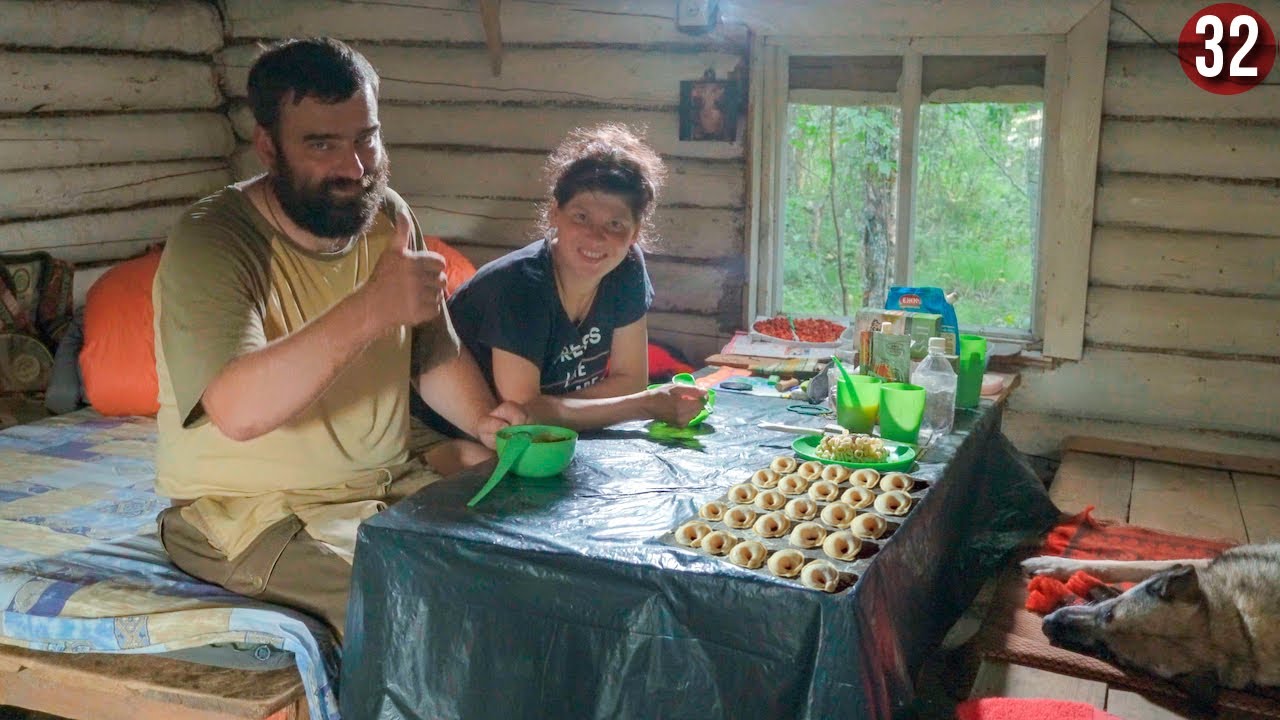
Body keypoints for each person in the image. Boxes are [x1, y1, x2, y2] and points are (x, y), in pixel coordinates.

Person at [151, 37, 525, 641]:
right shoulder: (212, 239)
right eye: (322, 145)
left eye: (365, 138)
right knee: (413, 613)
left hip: (383, 484)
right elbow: (237, 411)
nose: (354, 168)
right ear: (268, 146)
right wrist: (371, 309)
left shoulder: (386, 215)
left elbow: (431, 351)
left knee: (538, 545)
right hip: (254, 511)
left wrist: (486, 424)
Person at [417, 123, 706, 432]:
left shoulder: (626, 269)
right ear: (555, 213)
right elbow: (524, 414)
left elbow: (630, 381)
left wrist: (558, 409)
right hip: (451, 429)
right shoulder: (520, 286)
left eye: (616, 224)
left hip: (536, 432)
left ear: (635, 232)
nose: (596, 237)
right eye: (581, 217)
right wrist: (643, 404)